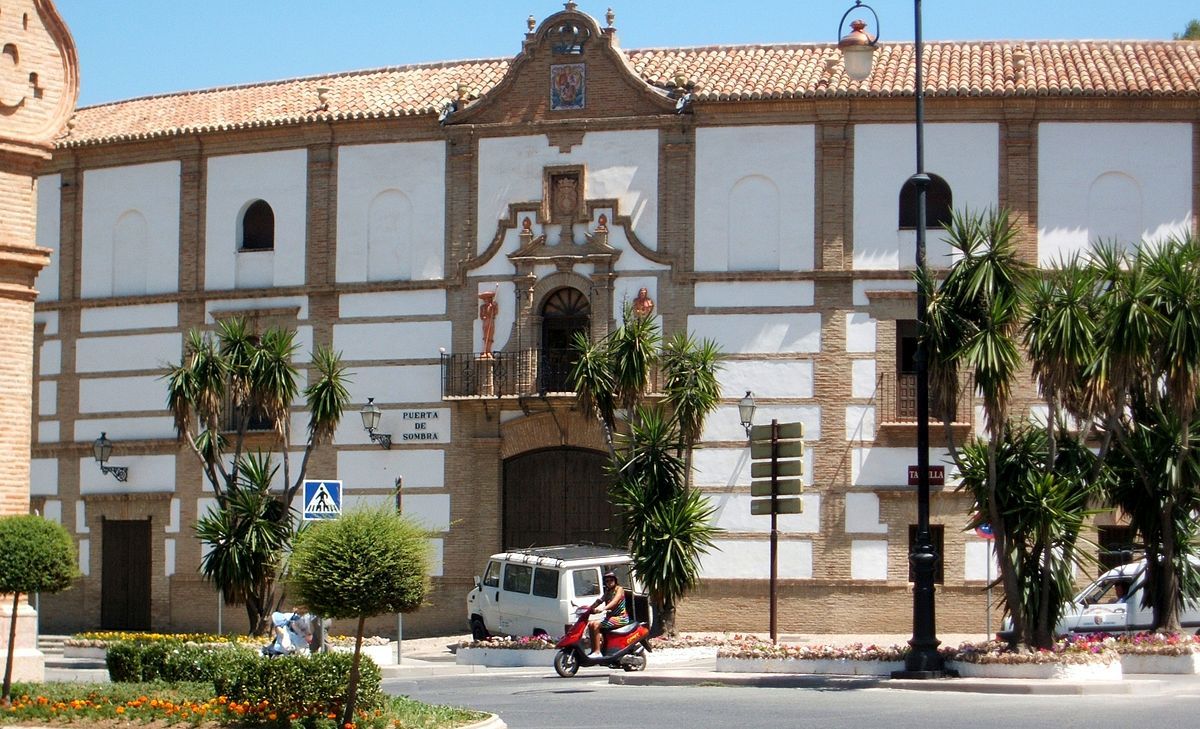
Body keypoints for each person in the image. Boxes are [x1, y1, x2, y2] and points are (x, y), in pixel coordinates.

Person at [588, 571, 631, 658]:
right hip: (611, 618)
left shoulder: (619, 589)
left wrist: (603, 609)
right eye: (607, 581)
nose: (609, 582)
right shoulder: (608, 591)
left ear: (615, 580)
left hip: (621, 618)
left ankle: (597, 652)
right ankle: (594, 650)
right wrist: (589, 609)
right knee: (591, 624)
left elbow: (615, 601)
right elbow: (600, 600)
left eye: (611, 580)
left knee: (596, 624)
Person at [478, 290, 498, 358]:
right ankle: (485, 351)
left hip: (491, 321)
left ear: (490, 299)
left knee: (490, 336)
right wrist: (483, 317)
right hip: (486, 321)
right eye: (484, 299)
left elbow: (495, 313)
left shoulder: (493, 305)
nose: (485, 300)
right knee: (486, 336)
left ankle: (488, 351)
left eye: (487, 299)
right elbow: (481, 315)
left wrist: (494, 307)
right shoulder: (482, 307)